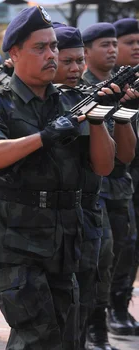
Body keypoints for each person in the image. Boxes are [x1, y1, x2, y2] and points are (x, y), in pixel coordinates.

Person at [0, 6, 116, 349]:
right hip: (15, 240)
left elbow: (104, 167)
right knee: (39, 336)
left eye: (53, 47)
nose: (51, 55)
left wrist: (98, 121)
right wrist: (43, 137)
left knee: (66, 337)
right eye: (40, 48)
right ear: (15, 52)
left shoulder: (72, 101)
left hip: (65, 238)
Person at [82, 21, 139, 344]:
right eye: (105, 45)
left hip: (120, 184)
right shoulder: (84, 87)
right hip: (95, 186)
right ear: (87, 50)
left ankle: (116, 309)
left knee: (124, 248)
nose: (113, 50)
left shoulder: (124, 86)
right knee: (99, 253)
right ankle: (95, 320)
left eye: (114, 45)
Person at [113, 17, 139, 337]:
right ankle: (111, 308)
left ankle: (120, 304)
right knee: (121, 241)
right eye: (129, 42)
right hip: (118, 174)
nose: (137, 47)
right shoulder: (105, 87)